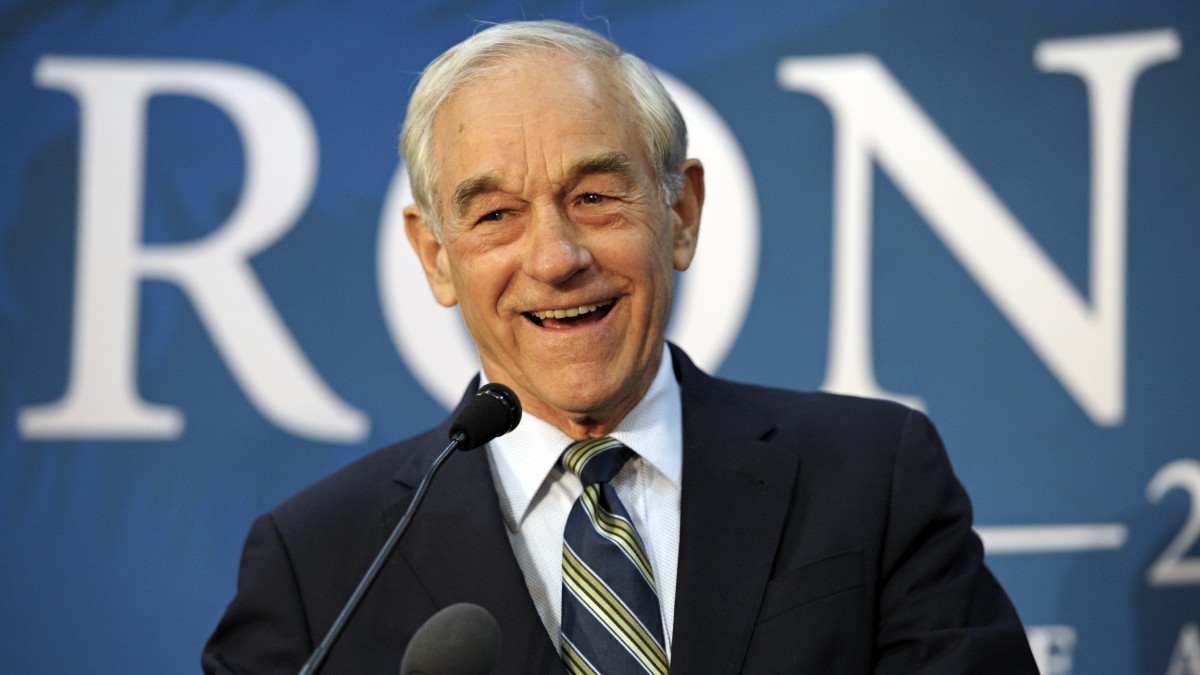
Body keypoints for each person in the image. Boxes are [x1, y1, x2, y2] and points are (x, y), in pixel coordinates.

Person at [203, 19, 1039, 674]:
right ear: (435, 256)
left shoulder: (872, 477)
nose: (557, 257)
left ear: (680, 214)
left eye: (596, 195)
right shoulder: (318, 565)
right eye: (495, 215)